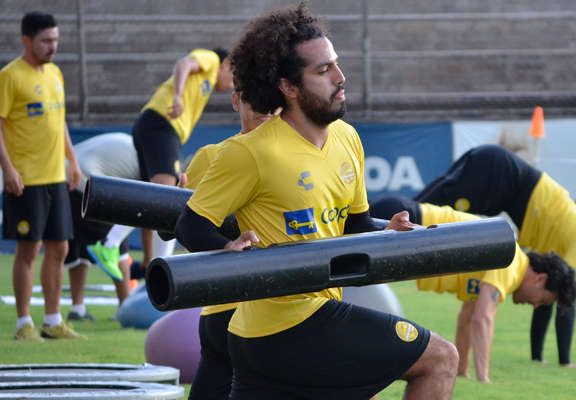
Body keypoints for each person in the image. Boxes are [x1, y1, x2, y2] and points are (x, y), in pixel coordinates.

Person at [175, 4, 459, 399]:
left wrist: (387, 234)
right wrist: (227, 247)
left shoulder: (348, 138)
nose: (340, 79)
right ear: (288, 87)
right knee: (441, 358)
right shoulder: (252, 152)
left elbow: (355, 228)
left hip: (269, 338)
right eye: (323, 71)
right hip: (289, 324)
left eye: (336, 65)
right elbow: (190, 223)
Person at [376, 144, 576, 366]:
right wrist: (565, 361)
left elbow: (548, 296)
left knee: (412, 216)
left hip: (497, 174)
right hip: (500, 174)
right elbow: (564, 302)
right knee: (409, 223)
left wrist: (538, 358)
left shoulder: (574, 255)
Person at [403, 202, 576, 382]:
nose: (535, 305)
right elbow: (482, 319)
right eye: (543, 300)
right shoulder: (511, 261)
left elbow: (468, 319)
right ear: (540, 279)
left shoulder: (510, 264)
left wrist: (462, 373)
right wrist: (484, 379)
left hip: (413, 225)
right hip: (411, 224)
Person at [185, 90, 277, 400]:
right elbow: (180, 230)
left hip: (277, 309)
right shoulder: (213, 155)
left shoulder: (297, 154)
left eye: (272, 101)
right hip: (228, 309)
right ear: (237, 100)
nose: (265, 108)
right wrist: (227, 247)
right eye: (256, 100)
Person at [0, 11, 85, 341]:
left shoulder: (55, 73)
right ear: (27, 41)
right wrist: (7, 168)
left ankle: (53, 320)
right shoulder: (10, 77)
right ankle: (24, 324)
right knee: (28, 250)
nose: (53, 47)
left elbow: (59, 120)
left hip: (55, 177)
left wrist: (73, 161)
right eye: (46, 41)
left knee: (60, 249)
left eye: (56, 40)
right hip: (26, 179)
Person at [122, 43, 233, 269]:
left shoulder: (207, 81)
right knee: (166, 198)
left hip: (149, 124)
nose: (231, 85)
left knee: (150, 197)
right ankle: (113, 242)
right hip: (163, 124)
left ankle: (148, 262)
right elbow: (183, 64)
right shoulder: (211, 60)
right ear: (226, 64)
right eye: (233, 77)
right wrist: (178, 96)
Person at [64, 133, 139, 322]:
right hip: (85, 179)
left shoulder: (132, 145)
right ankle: (125, 309)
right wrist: (149, 256)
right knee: (115, 244)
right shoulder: (152, 164)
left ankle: (77, 309)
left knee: (79, 247)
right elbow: (141, 214)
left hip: (66, 175)